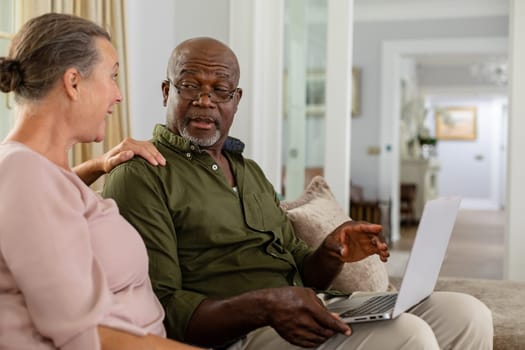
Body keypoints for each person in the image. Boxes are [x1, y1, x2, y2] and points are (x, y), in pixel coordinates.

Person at [102, 37, 494, 349]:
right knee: (409, 336)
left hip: (307, 308)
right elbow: (164, 306)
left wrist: (331, 251)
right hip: (242, 332)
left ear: (236, 101)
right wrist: (266, 305)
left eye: (220, 90)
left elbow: (303, 268)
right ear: (167, 91)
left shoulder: (249, 171)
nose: (205, 101)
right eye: (190, 86)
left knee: (466, 312)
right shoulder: (141, 174)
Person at [0, 13, 201, 350]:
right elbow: (88, 337)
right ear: (73, 82)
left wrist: (97, 165)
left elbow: (49, 209)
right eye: (112, 76)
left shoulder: (37, 172)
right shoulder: (23, 172)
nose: (118, 95)